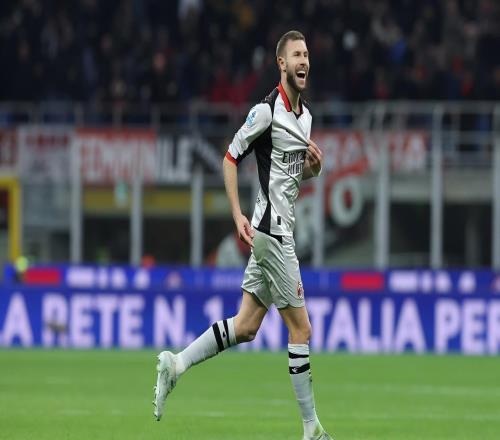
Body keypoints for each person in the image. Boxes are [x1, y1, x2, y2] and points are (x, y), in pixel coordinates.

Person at [153, 30, 333, 440]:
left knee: (247, 324)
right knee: (301, 330)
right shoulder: (265, 112)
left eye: (307, 54)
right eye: (296, 55)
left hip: (278, 230)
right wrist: (237, 215)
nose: (304, 61)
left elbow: (288, 179)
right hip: (271, 233)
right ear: (281, 64)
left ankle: (176, 364)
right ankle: (311, 429)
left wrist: (314, 169)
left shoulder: (305, 117)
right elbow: (230, 158)